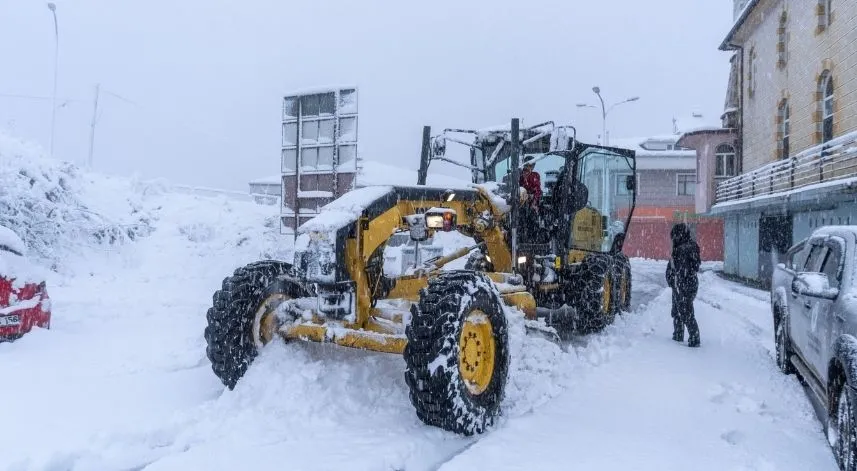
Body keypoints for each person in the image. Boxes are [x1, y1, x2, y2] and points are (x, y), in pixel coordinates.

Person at [666, 223, 702, 347]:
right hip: (685, 284)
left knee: (685, 311)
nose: (673, 240)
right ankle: (678, 334)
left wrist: (674, 278)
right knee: (678, 310)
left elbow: (679, 268)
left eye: (674, 237)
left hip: (683, 284)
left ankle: (693, 337)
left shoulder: (683, 249)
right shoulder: (688, 246)